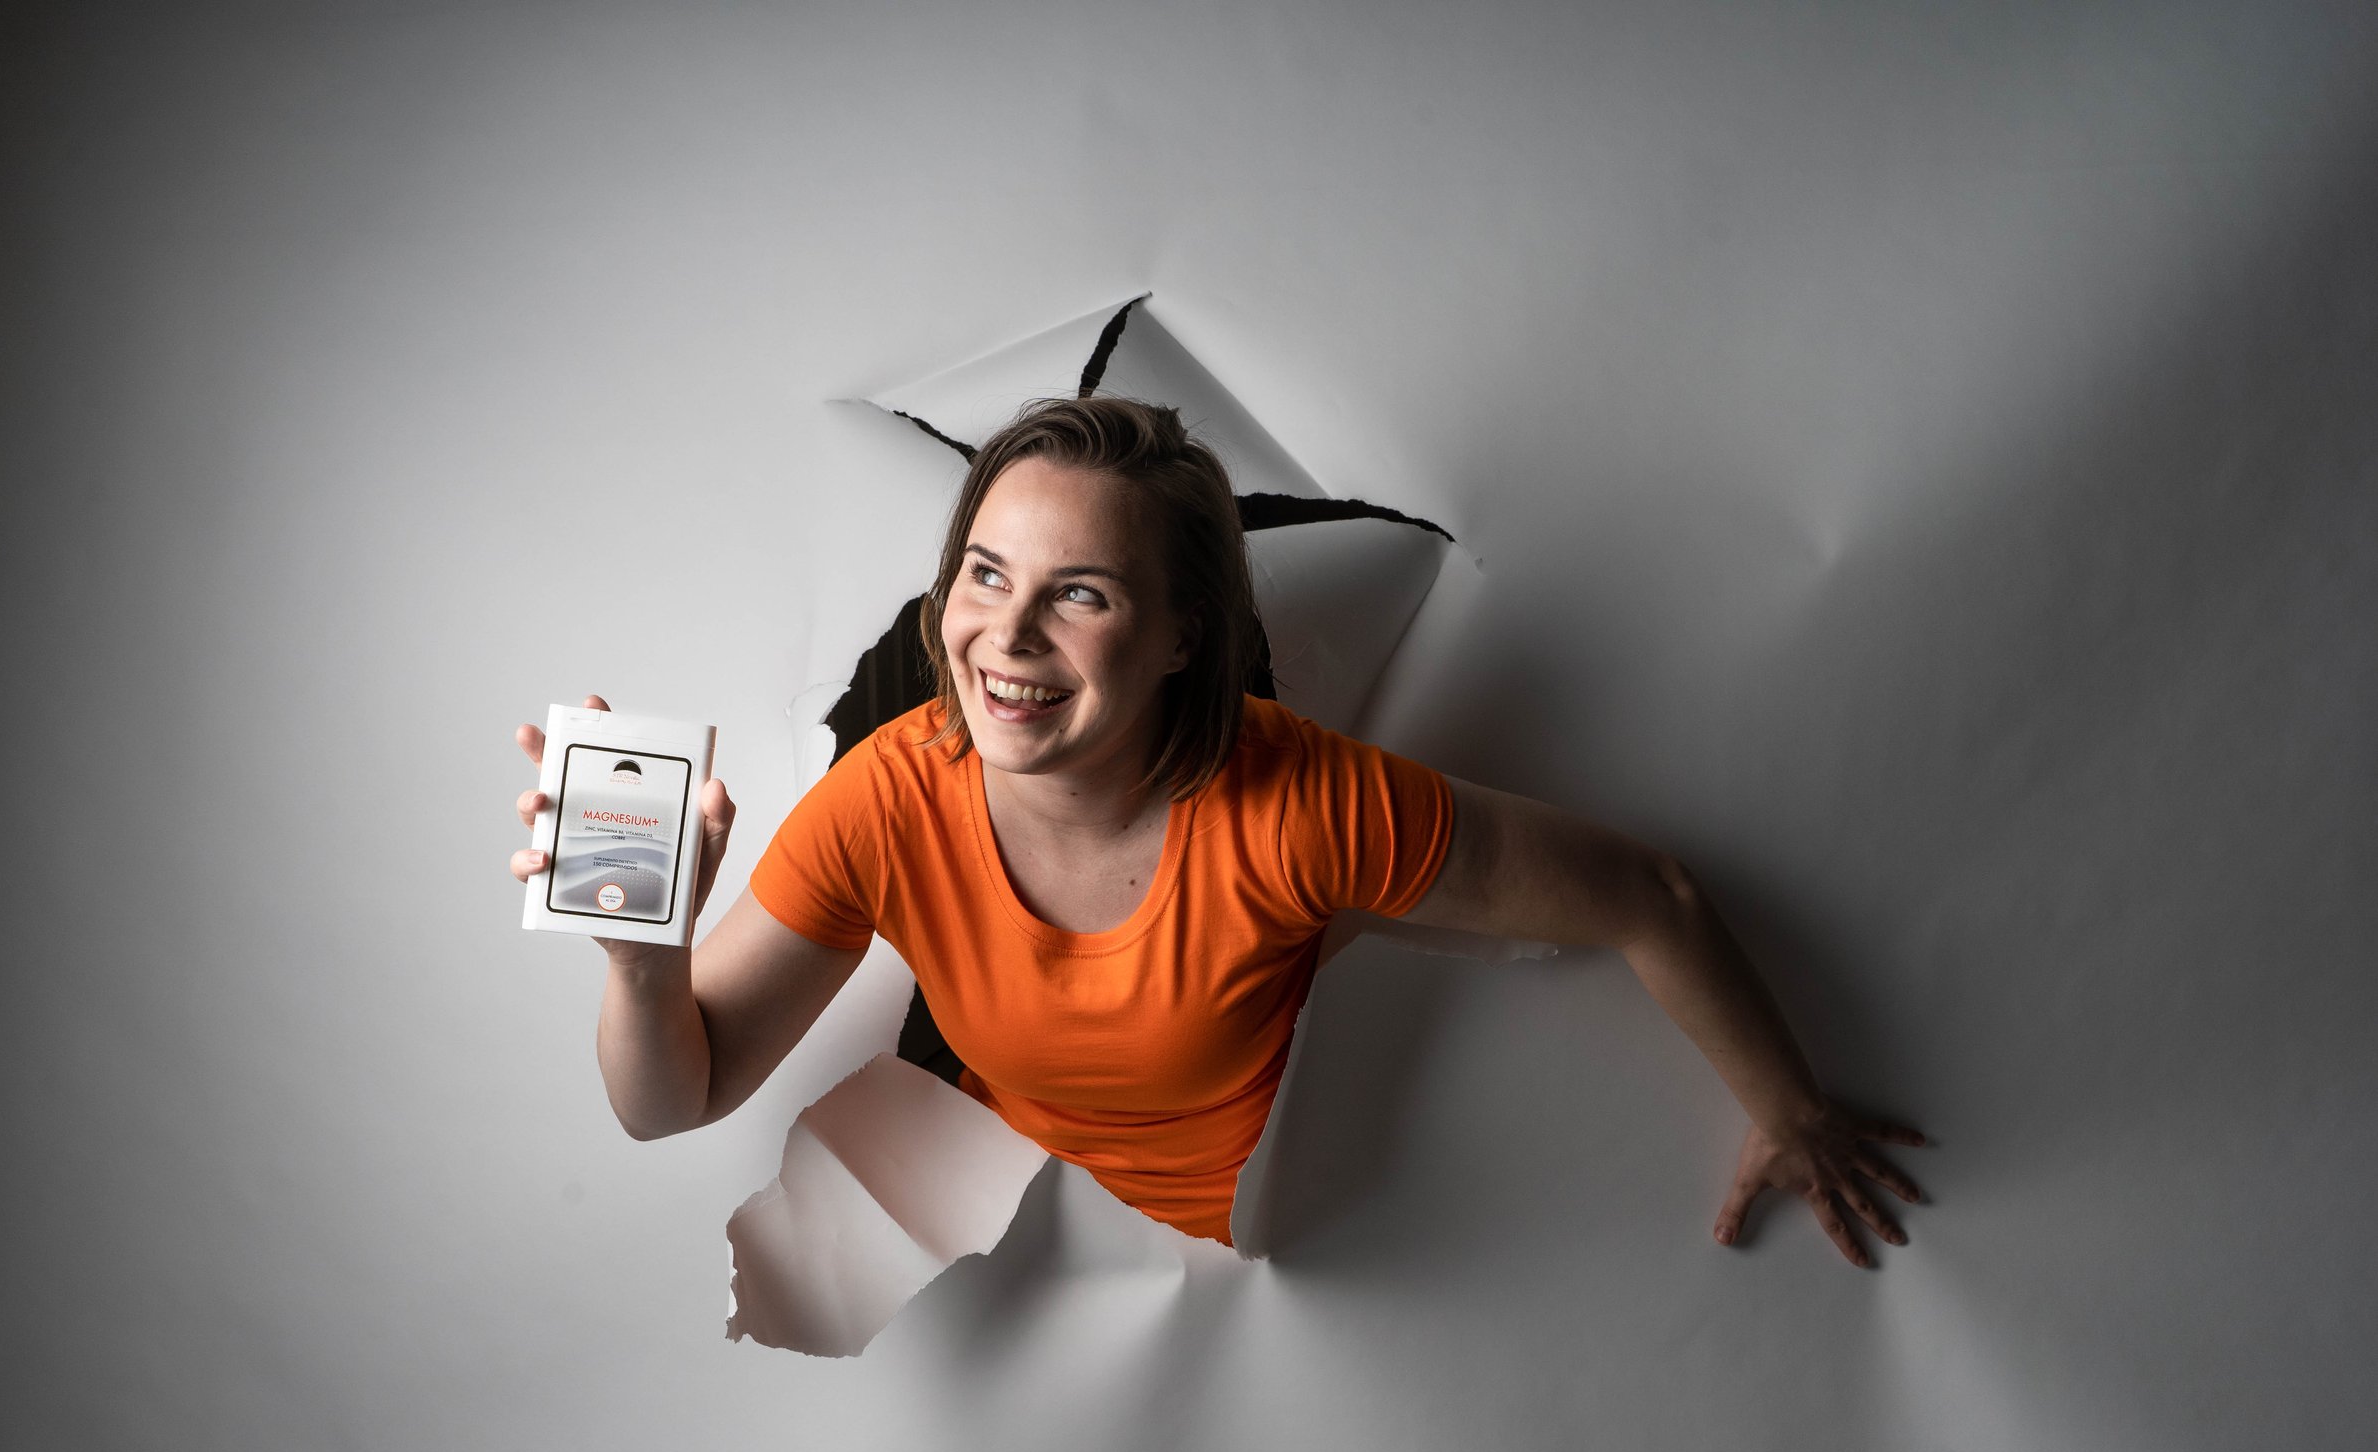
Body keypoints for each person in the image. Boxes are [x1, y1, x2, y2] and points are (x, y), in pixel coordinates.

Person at [507, 397, 1927, 1266]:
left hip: (1240, 1215)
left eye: (1083, 594)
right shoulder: (892, 789)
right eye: (986, 573)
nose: (1004, 634)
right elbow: (669, 1101)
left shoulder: (1304, 807)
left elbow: (1647, 894)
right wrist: (641, 956)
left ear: (1186, 633)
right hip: (1011, 1147)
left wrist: (1790, 1110)